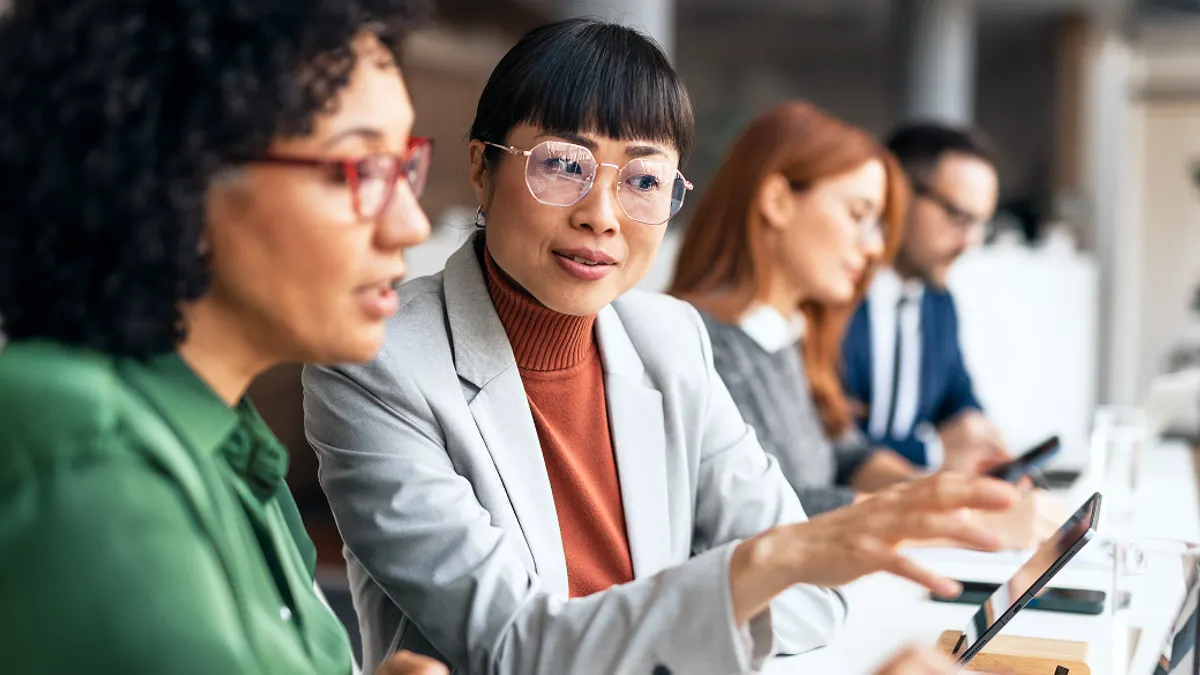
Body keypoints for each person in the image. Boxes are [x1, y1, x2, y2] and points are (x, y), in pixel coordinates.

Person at [303, 19, 1021, 675]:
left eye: (644, 180)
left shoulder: (669, 339)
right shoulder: (379, 362)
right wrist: (751, 568)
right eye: (562, 164)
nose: (602, 216)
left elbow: (811, 601)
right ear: (482, 167)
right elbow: (512, 644)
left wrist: (749, 576)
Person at [0, 1, 445, 674]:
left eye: (403, 164)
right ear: (180, 179)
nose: (411, 223)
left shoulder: (231, 441)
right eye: (358, 168)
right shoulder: (90, 464)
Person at [667, 102, 1061, 548]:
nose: (875, 248)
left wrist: (947, 499)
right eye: (858, 216)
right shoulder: (699, 344)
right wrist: (956, 524)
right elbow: (768, 510)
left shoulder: (789, 335)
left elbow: (845, 454)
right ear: (777, 201)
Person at [841, 122, 1008, 472]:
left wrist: (979, 434)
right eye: (958, 216)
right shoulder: (833, 297)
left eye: (980, 224)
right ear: (898, 193)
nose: (970, 243)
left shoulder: (939, 304)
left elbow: (957, 394)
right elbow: (824, 446)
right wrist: (932, 449)